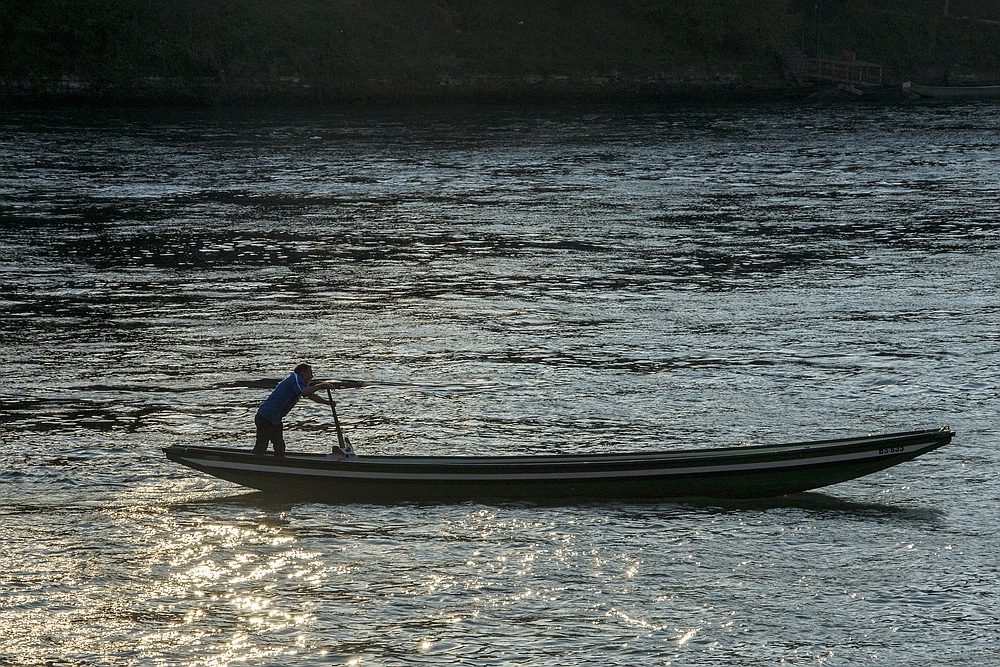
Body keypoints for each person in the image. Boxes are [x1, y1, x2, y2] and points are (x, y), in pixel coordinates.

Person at [253, 363, 334, 457]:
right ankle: (253, 465)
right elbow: (304, 392)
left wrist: (327, 403)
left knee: (279, 447)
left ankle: (279, 466)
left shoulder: (300, 382)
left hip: (275, 419)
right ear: (302, 372)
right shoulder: (295, 379)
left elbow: (311, 395)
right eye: (310, 373)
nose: (312, 376)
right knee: (261, 446)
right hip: (265, 417)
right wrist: (321, 386)